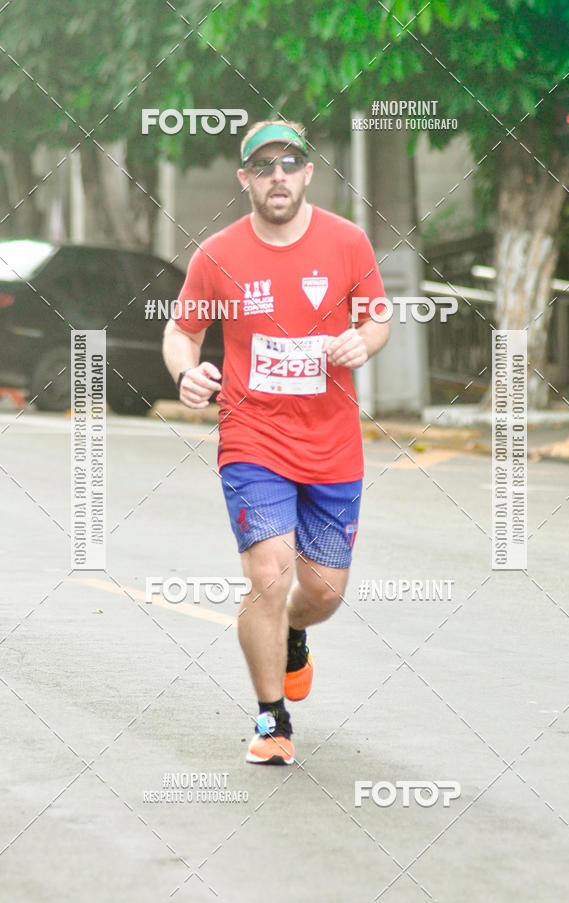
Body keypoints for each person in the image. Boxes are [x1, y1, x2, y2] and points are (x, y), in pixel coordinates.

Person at [162, 119, 389, 765]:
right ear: (246, 179)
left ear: (308, 172)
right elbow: (182, 332)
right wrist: (186, 372)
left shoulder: (346, 241)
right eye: (264, 167)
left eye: (290, 163)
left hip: (332, 443)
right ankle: (271, 720)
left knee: (322, 592)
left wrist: (363, 340)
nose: (278, 176)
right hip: (253, 436)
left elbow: (377, 315)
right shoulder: (218, 255)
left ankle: (292, 630)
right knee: (268, 574)